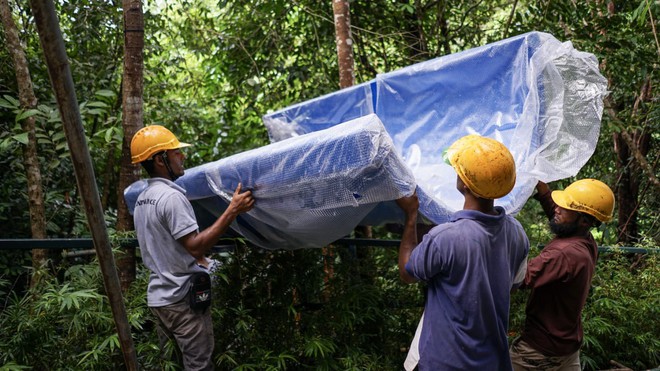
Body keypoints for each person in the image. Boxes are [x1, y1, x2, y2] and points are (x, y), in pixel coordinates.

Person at [396, 134, 530, 370]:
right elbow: (515, 283)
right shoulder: (517, 233)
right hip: (493, 362)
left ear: (465, 183)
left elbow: (408, 273)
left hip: (444, 362)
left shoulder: (444, 238)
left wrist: (411, 216)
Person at [130, 125, 255, 370]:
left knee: (170, 365)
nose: (182, 156)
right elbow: (195, 248)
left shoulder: (143, 199)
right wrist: (233, 210)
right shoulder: (171, 198)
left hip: (159, 299)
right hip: (182, 301)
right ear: (159, 159)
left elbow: (166, 246)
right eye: (176, 152)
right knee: (198, 366)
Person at [509, 179, 615, 370]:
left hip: (538, 352)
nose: (557, 209)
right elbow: (563, 220)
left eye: (565, 207)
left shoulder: (563, 254)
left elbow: (518, 280)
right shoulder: (585, 240)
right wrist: (543, 191)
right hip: (567, 349)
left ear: (584, 219)